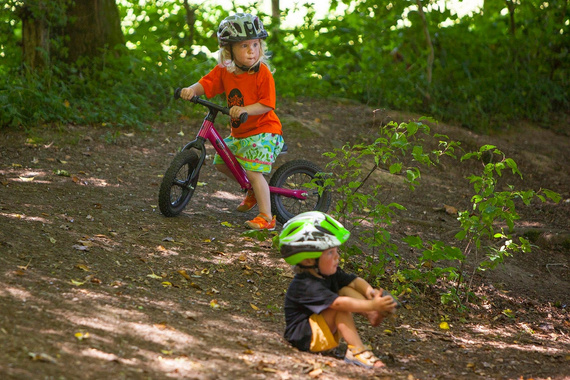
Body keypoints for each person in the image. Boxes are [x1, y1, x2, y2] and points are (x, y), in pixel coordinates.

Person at [179, 13, 283, 230]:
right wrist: (191, 90)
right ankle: (254, 190)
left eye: (255, 44)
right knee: (221, 162)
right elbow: (206, 84)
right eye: (244, 45)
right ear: (229, 50)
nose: (251, 50)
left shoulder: (262, 73)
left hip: (265, 130)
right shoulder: (225, 70)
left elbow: (267, 104)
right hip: (241, 133)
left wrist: (244, 109)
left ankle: (266, 217)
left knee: (254, 172)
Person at [279, 211, 398, 369]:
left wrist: (370, 292)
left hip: (319, 328)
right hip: (304, 337)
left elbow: (354, 282)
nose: (337, 257)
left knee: (345, 289)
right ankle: (357, 352)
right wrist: (372, 305)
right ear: (308, 259)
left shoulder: (328, 272)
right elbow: (339, 305)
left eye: (336, 251)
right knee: (340, 308)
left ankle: (373, 315)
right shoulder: (305, 284)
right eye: (330, 253)